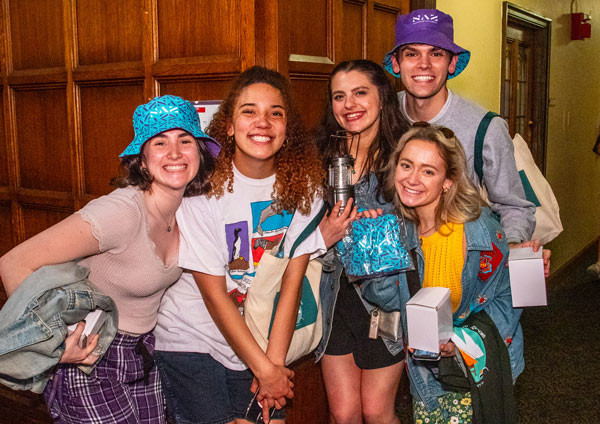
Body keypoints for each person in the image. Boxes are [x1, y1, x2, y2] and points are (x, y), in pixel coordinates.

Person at [0, 94, 218, 423]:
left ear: (199, 153)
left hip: (144, 356)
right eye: (159, 143)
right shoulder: (120, 211)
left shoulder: (188, 210)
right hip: (92, 359)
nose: (174, 153)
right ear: (142, 160)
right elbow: (13, 263)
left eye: (184, 140)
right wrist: (59, 343)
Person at [153, 66, 327, 424]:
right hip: (194, 341)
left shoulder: (306, 189)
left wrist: (273, 368)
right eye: (249, 111)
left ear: (287, 130)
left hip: (261, 341)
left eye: (274, 113)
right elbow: (216, 296)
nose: (262, 122)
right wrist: (265, 371)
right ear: (229, 126)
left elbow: (291, 284)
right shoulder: (201, 189)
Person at [379, 123, 524, 423]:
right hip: (426, 374)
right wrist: (373, 251)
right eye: (406, 165)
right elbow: (386, 303)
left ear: (448, 180)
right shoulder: (395, 231)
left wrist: (458, 341)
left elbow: (509, 296)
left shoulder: (479, 229)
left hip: (480, 368)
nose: (412, 179)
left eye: (428, 171)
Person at [382, 9, 539, 249]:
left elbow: (514, 205)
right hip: (391, 266)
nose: (424, 64)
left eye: (436, 54)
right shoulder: (381, 116)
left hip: (458, 264)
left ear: (452, 62)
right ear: (396, 62)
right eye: (411, 53)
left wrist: (510, 248)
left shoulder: (485, 127)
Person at [314, 59, 410, 424]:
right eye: (339, 96)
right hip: (332, 297)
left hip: (384, 297)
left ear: (383, 98)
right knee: (345, 413)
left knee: (376, 410)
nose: (348, 104)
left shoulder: (406, 154)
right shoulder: (319, 155)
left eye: (359, 93)